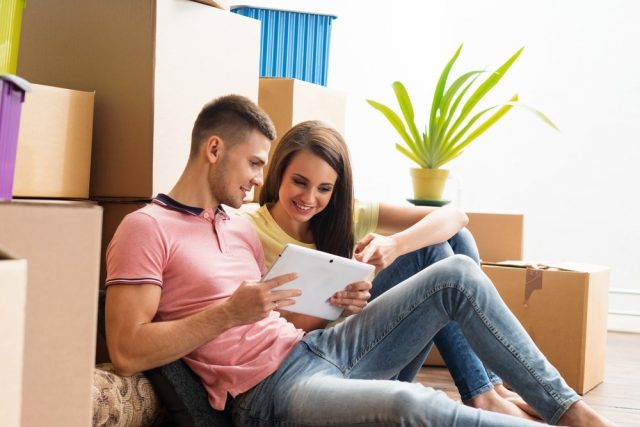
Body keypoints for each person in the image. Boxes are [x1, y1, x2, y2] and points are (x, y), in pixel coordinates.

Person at [105, 94, 615, 426]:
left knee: (455, 273)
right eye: (256, 163)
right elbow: (127, 350)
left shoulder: (234, 225)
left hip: (316, 348)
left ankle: (572, 412)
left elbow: (279, 324)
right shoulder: (146, 228)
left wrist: (336, 306)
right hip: (266, 395)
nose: (260, 179)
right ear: (214, 149)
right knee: (412, 405)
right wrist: (231, 312)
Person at [245, 120, 536, 419]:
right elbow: (260, 332)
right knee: (431, 251)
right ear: (278, 171)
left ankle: (488, 387)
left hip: (376, 354)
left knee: (451, 238)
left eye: (324, 188)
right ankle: (482, 392)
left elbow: (455, 217)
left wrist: (395, 244)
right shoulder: (249, 229)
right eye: (299, 182)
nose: (308, 199)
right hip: (319, 370)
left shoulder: (346, 215)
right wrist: (336, 309)